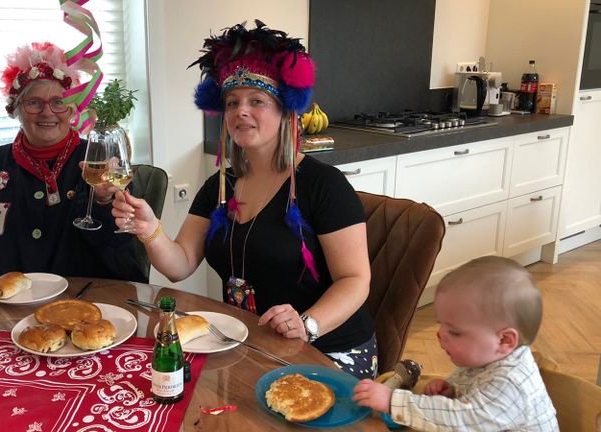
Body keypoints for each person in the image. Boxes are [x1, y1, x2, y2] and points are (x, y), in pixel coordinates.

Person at [111, 20, 377, 379]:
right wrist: (150, 229)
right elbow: (180, 264)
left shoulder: (324, 185)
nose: (241, 111)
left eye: (257, 101)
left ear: (286, 110)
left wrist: (308, 324)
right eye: (232, 102)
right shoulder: (220, 185)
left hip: (327, 348)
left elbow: (355, 278)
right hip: (249, 341)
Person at [0, 42, 146, 301]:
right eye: (34, 102)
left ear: (72, 110)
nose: (47, 112)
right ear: (16, 109)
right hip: (7, 303)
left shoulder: (99, 162)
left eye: (59, 102)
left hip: (86, 303)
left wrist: (103, 201)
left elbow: (122, 251)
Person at [352, 256, 558, 431]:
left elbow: (460, 421)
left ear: (504, 340)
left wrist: (392, 401)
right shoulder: (490, 354)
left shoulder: (511, 384)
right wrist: (454, 390)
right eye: (441, 324)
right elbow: (475, 394)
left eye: (455, 332)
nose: (440, 334)